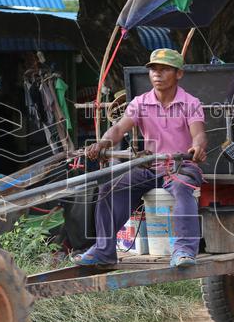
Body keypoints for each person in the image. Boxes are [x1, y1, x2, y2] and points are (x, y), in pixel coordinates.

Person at [75, 48, 208, 268]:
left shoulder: (190, 103)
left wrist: (197, 148)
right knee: (109, 187)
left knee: (182, 187)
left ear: (179, 74)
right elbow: (118, 129)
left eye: (164, 69)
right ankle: (104, 250)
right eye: (153, 69)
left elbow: (199, 134)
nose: (157, 74)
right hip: (150, 166)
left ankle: (184, 251)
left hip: (180, 165)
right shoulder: (141, 102)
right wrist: (103, 143)